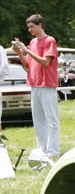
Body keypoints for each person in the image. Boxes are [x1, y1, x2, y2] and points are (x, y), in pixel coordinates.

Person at [12, 14, 61, 159]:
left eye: (32, 27)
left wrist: (27, 51)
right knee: (38, 120)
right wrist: (19, 52)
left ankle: (53, 152)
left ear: (40, 25)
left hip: (47, 85)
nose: (29, 30)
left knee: (52, 121)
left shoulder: (49, 40)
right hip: (34, 84)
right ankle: (42, 150)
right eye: (28, 27)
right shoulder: (32, 42)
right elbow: (28, 64)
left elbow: (46, 62)